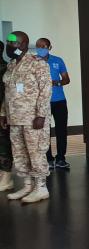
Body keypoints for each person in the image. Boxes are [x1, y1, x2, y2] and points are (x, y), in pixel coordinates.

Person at [0, 31, 51, 203]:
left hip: (33, 119)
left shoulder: (38, 63)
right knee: (20, 153)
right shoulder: (11, 65)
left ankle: (41, 188)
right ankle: (28, 186)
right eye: (8, 42)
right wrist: (3, 113)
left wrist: (41, 115)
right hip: (15, 118)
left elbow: (45, 91)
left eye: (13, 42)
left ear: (23, 44)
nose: (9, 45)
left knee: (35, 153)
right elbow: (8, 92)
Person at [36, 38, 71, 170]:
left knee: (61, 130)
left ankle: (61, 158)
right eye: (38, 46)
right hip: (42, 102)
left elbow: (66, 79)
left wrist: (57, 82)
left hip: (59, 101)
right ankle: (48, 159)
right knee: (44, 131)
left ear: (49, 47)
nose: (41, 48)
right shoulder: (33, 62)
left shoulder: (58, 60)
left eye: (44, 46)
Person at [0, 40, 12, 192]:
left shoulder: (6, 68)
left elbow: (8, 94)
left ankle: (6, 175)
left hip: (3, 112)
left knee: (3, 144)